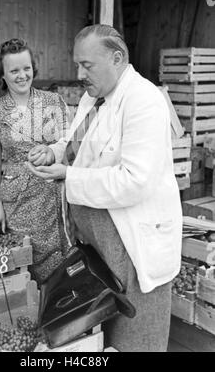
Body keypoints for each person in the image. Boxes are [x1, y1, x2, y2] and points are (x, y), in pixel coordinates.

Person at [27, 24, 183, 352]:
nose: (79, 73)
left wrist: (67, 175)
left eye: (87, 65)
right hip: (100, 248)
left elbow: (134, 181)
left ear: (117, 58)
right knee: (102, 340)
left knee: (135, 338)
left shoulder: (144, 101)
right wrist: (52, 152)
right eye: (77, 65)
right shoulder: (93, 98)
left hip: (132, 246)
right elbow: (75, 143)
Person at [0, 38, 69, 284]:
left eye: (26, 68)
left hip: (55, 194)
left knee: (62, 262)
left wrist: (51, 150)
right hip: (18, 202)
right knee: (25, 262)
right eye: (14, 70)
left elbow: (69, 144)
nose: (22, 75)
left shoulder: (53, 102)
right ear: (2, 75)